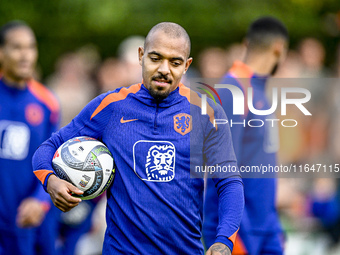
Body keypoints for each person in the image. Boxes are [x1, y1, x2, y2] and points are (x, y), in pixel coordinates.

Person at [32, 22, 244, 255]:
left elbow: (229, 183)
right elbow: (48, 147)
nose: (164, 69)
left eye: (175, 62)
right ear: (141, 56)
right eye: (156, 58)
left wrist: (224, 241)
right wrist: (51, 181)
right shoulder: (111, 107)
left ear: (187, 66)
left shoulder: (207, 113)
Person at [203, 17, 288, 255]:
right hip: (241, 233)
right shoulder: (233, 90)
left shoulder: (259, 89)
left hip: (266, 226)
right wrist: (225, 236)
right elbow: (221, 171)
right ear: (279, 48)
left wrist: (273, 225)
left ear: (246, 43)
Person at [0, 21, 60, 255]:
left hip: (31, 220)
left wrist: (39, 200)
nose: (25, 55)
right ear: (2, 52)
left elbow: (54, 159)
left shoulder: (47, 103)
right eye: (17, 47)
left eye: (31, 47)